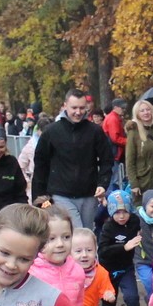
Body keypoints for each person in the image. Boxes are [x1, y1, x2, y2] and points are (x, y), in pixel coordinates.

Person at [30, 89, 113, 230]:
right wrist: (39, 196)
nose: (78, 112)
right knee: (76, 232)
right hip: (61, 194)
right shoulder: (51, 131)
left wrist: (103, 183)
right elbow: (41, 165)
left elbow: (107, 159)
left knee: (87, 232)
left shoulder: (95, 131)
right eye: (74, 108)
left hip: (89, 194)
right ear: (65, 106)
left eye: (82, 108)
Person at [97, 189, 145, 306]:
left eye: (125, 211)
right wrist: (124, 247)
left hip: (126, 268)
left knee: (132, 298)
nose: (122, 216)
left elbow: (146, 223)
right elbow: (102, 251)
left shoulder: (134, 221)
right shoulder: (108, 227)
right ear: (111, 212)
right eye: (117, 212)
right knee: (108, 304)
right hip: (108, 271)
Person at [102, 98, 128, 189]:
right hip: (113, 152)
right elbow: (115, 138)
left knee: (114, 177)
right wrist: (129, 142)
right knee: (114, 179)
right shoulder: (113, 119)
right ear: (115, 107)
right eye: (122, 108)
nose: (124, 110)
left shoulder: (114, 117)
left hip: (112, 152)